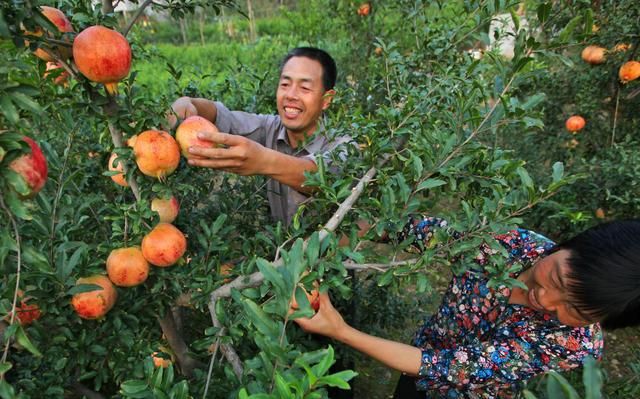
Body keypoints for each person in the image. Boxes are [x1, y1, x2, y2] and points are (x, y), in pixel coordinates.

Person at [293, 216, 640, 398]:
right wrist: (320, 248)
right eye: (560, 280)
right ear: (572, 246)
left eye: (576, 312)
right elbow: (412, 231)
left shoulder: (575, 344)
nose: (545, 300)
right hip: (414, 373)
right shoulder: (511, 245)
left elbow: (446, 367)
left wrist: (340, 331)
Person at [167, 47, 353, 226]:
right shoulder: (269, 127)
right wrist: (191, 104)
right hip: (281, 255)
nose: (291, 95)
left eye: (304, 88)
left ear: (326, 100)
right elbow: (224, 117)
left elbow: (321, 177)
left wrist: (263, 161)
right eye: (285, 84)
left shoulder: (346, 143)